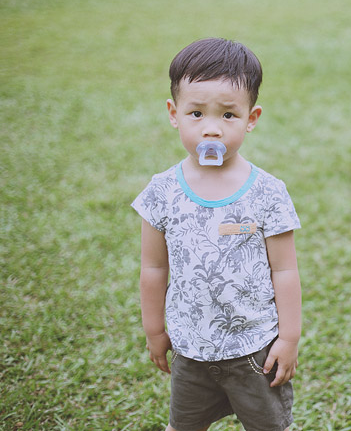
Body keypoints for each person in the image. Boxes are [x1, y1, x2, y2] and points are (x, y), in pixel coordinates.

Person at [132, 38, 301, 431]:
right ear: (174, 114)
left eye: (228, 115)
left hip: (255, 349)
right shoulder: (162, 192)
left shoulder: (267, 192)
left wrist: (289, 338)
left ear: (251, 118)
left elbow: (285, 271)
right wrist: (155, 330)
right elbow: (154, 267)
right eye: (196, 113)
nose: (211, 129)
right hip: (190, 348)